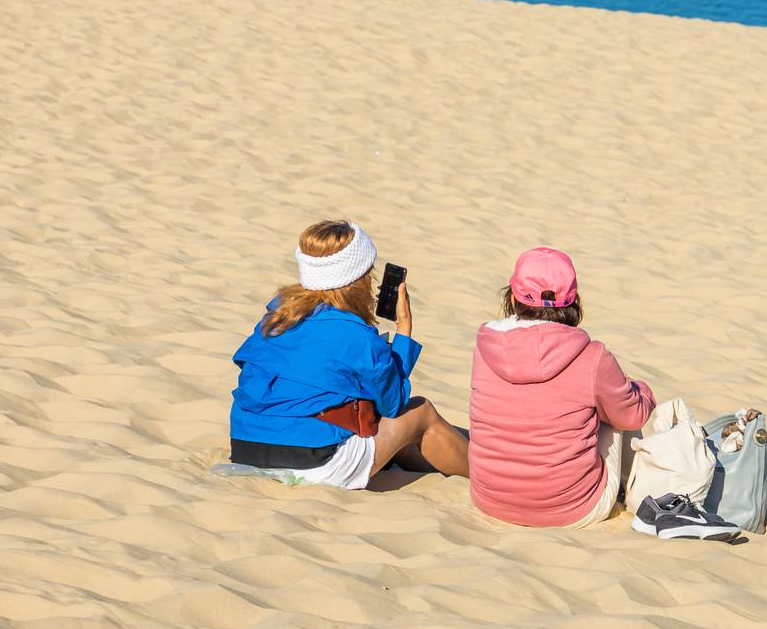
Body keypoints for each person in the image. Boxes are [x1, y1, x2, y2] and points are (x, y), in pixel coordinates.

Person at [228, 218, 468, 489]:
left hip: (246, 447)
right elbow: (394, 402)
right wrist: (404, 329)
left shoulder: (276, 317)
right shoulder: (353, 334)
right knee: (421, 412)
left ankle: (448, 467)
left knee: (395, 435)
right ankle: (493, 480)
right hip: (311, 459)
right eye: (368, 271)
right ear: (355, 280)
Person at [467, 247, 657, 527]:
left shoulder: (485, 344)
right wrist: (641, 390)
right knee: (619, 414)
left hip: (489, 500)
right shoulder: (592, 357)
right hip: (571, 509)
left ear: (512, 296)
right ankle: (629, 494)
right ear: (573, 301)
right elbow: (633, 416)